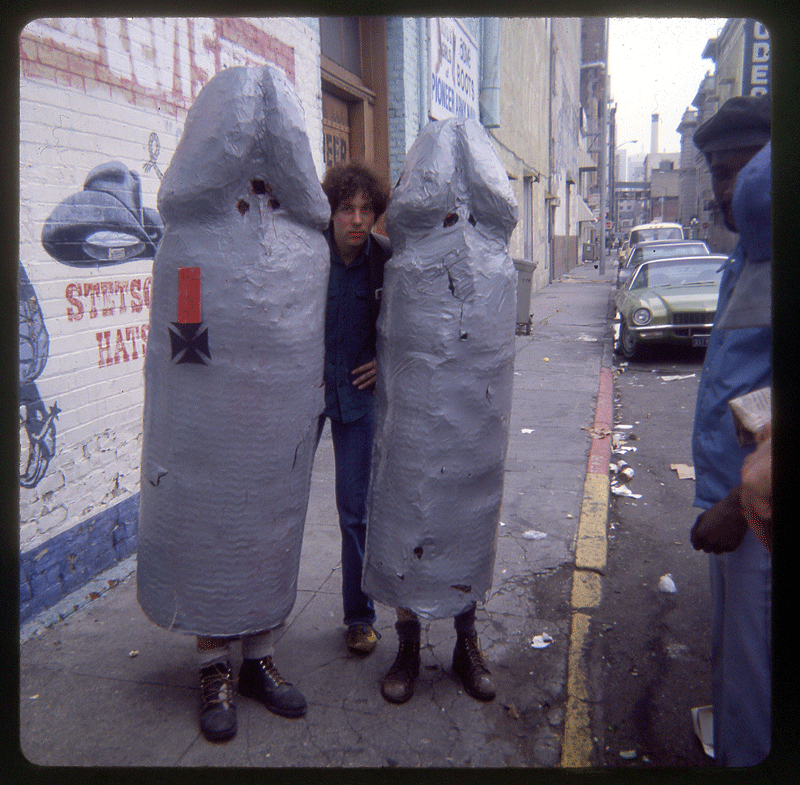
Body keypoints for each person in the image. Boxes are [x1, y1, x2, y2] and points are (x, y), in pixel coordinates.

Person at [689, 95, 771, 766]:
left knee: (754, 674)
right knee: (733, 660)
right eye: (719, 172)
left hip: (756, 511)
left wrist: (740, 506)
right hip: (732, 499)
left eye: (743, 171)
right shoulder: (746, 258)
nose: (728, 190)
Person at [317, 161, 391, 655]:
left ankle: (359, 616)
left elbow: (408, 322)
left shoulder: (385, 259)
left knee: (354, 511)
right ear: (332, 211)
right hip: (303, 393)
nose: (358, 220)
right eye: (347, 209)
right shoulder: (306, 254)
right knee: (275, 503)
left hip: (358, 397)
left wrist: (385, 361)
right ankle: (259, 614)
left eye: (367, 210)